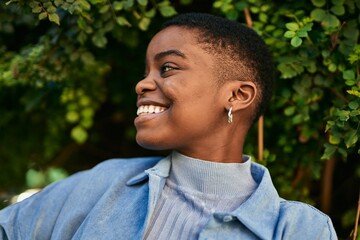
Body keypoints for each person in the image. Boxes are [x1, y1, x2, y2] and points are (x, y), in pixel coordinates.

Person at [0, 13, 337, 240]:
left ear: (236, 95)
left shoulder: (299, 229)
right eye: (146, 71)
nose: (142, 85)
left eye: (167, 68)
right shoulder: (103, 182)